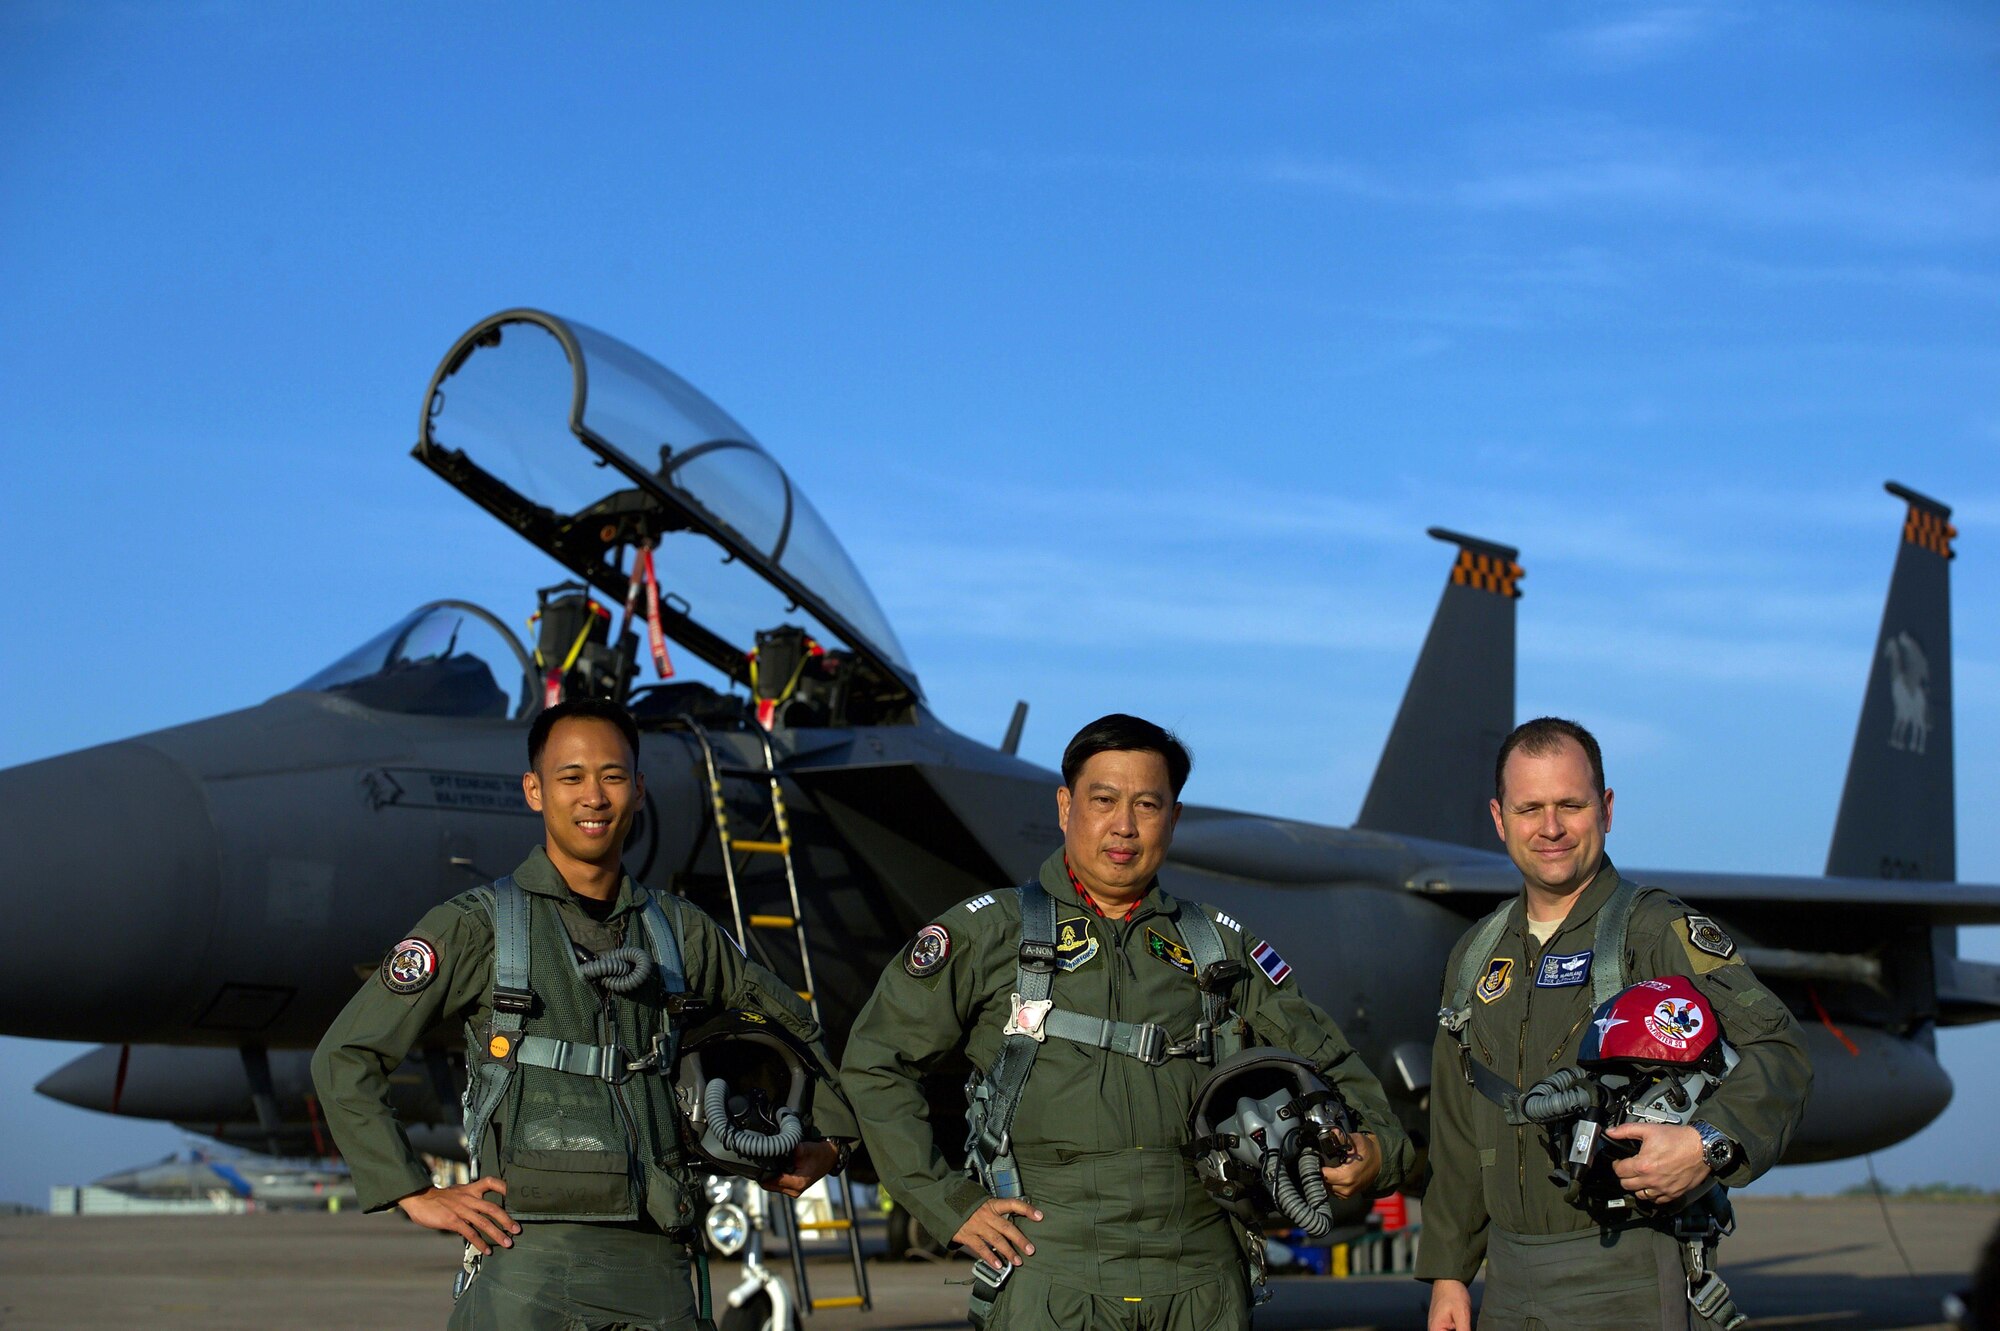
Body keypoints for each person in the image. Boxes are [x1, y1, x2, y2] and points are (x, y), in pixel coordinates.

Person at [840, 713, 1412, 1330]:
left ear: (1174, 818)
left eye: (1147, 804)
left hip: (1199, 1281)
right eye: (1104, 800)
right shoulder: (989, 934)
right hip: (1049, 1278)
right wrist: (947, 1203)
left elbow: (1328, 1060)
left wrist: (1379, 1151)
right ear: (1066, 807)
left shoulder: (1219, 947)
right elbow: (876, 1062)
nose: (1124, 826)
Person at [312, 697, 857, 1331]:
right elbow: (347, 1054)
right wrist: (410, 1190)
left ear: (639, 790)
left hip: (659, 1262)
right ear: (534, 791)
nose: (593, 797)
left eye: (612, 776)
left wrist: (833, 1143)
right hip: (525, 1261)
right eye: (571, 777)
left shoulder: (682, 933)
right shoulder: (477, 926)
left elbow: (795, 1026)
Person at [1419, 717, 1812, 1331]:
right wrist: (1449, 1276)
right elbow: (1459, 1131)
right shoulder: (1475, 955)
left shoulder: (1655, 933)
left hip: (1629, 1268)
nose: (1550, 828)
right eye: (1530, 809)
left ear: (1605, 808)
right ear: (1500, 819)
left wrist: (1704, 1143)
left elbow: (1780, 1052)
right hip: (1509, 1282)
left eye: (1570, 805)